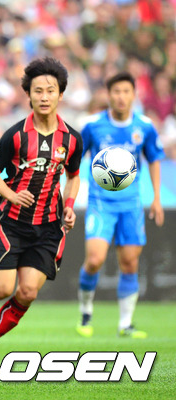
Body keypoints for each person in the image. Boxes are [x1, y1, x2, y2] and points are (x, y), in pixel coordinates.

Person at [0, 57, 82, 363]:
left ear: (60, 94)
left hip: (49, 227)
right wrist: (12, 195)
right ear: (28, 94)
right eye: (38, 90)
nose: (44, 97)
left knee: (28, 292)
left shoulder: (72, 139)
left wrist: (69, 207)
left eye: (50, 91)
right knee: (2, 290)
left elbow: (73, 176)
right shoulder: (15, 135)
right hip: (12, 224)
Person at [76, 72, 165, 339]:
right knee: (94, 260)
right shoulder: (93, 126)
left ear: (133, 95)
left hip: (131, 204)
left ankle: (125, 324)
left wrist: (157, 198)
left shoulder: (144, 126)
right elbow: (75, 159)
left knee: (129, 262)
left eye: (126, 91)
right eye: (116, 92)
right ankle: (85, 311)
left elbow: (154, 159)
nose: (121, 97)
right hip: (100, 202)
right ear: (109, 95)